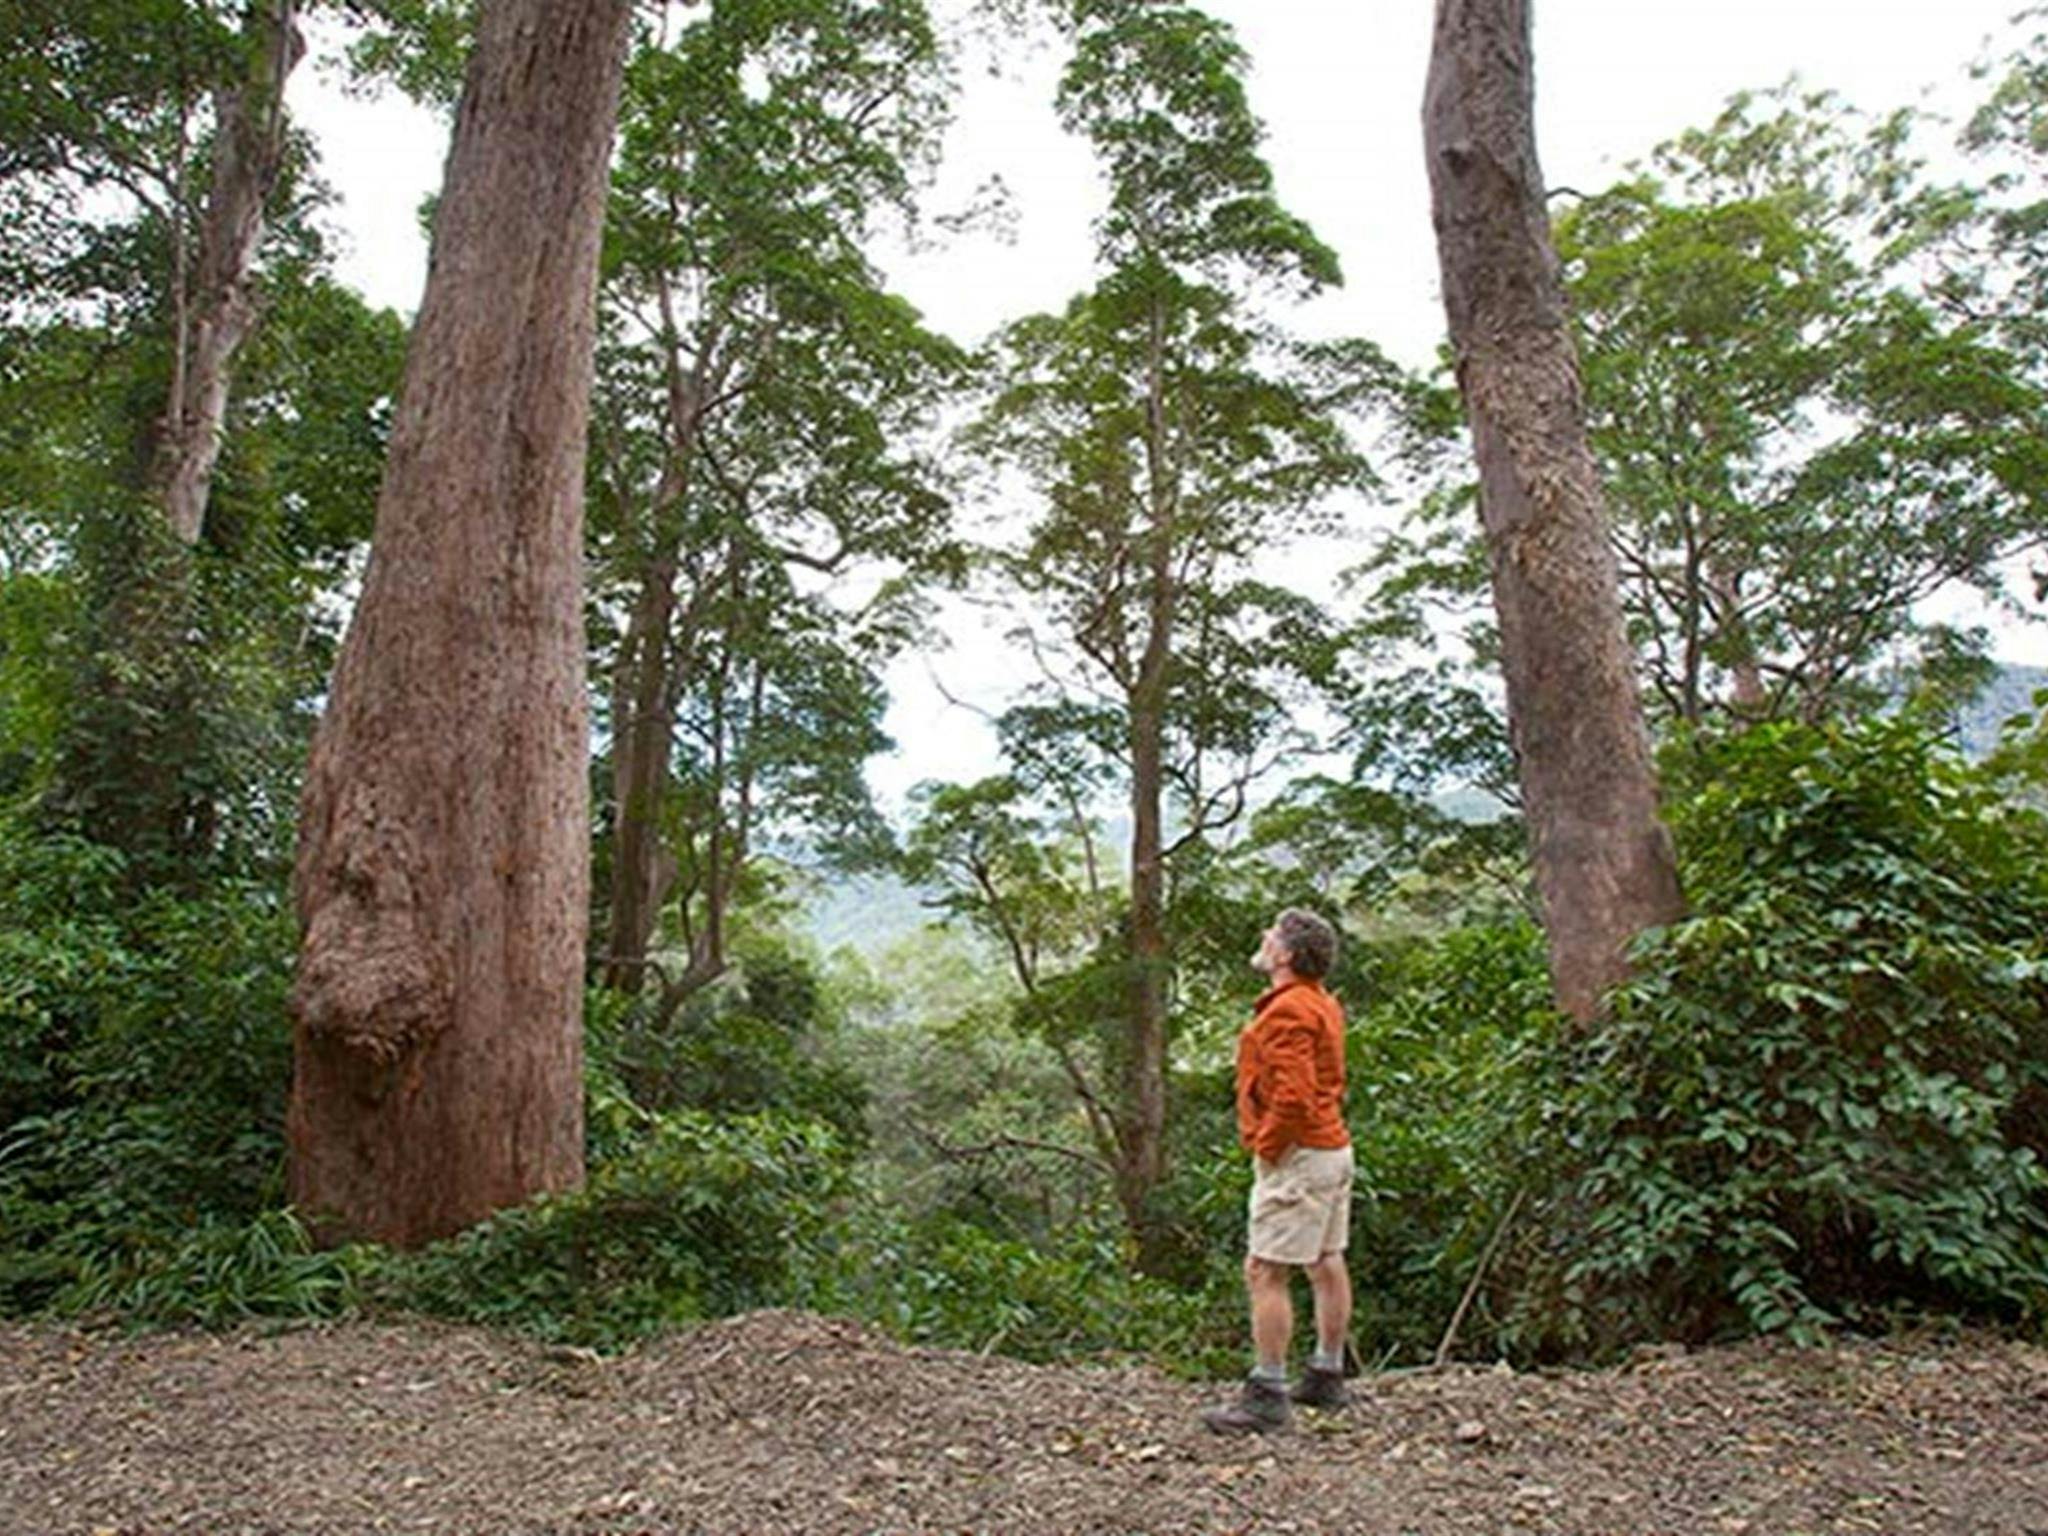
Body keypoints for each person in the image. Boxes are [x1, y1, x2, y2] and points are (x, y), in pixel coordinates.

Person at [1202, 907, 1354, 1434]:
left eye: (1272, 934)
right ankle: (1326, 1375)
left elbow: (1292, 1095)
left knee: (1265, 1268)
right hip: (1332, 1149)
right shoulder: (1321, 1003)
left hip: (1301, 1155)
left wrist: (1266, 1147)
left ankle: (1267, 1392)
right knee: (1326, 1260)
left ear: (1286, 955)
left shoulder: (1288, 1011)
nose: (1264, 937)